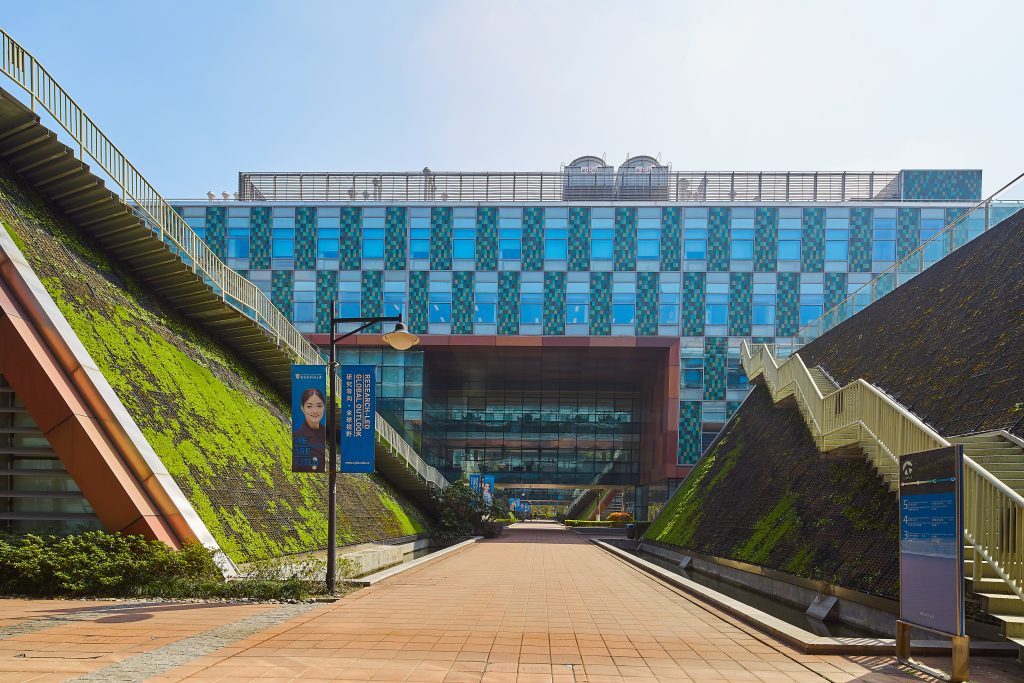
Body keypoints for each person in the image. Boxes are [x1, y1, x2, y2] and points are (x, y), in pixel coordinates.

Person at [293, 387, 326, 470]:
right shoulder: (296, 437)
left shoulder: (326, 434)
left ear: (324, 407)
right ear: (302, 408)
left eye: (319, 406)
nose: (315, 411)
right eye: (309, 406)